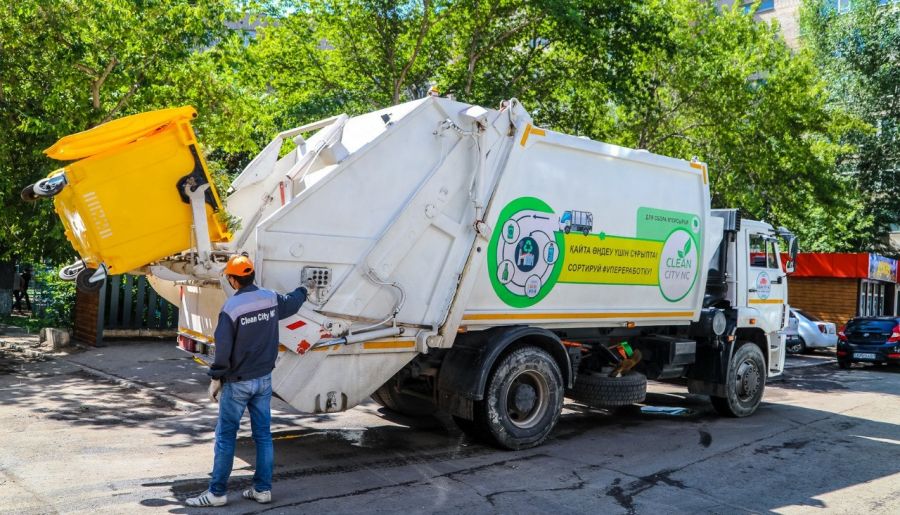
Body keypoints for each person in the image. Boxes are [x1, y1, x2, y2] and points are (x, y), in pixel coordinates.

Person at [186, 255, 310, 508]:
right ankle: (262, 490)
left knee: (226, 437)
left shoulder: (232, 308)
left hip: (238, 382)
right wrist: (304, 289)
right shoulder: (270, 298)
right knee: (263, 436)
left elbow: (223, 350)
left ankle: (217, 493)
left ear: (232, 279)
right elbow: (293, 303)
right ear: (251, 275)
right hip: (264, 380)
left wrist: (216, 378)